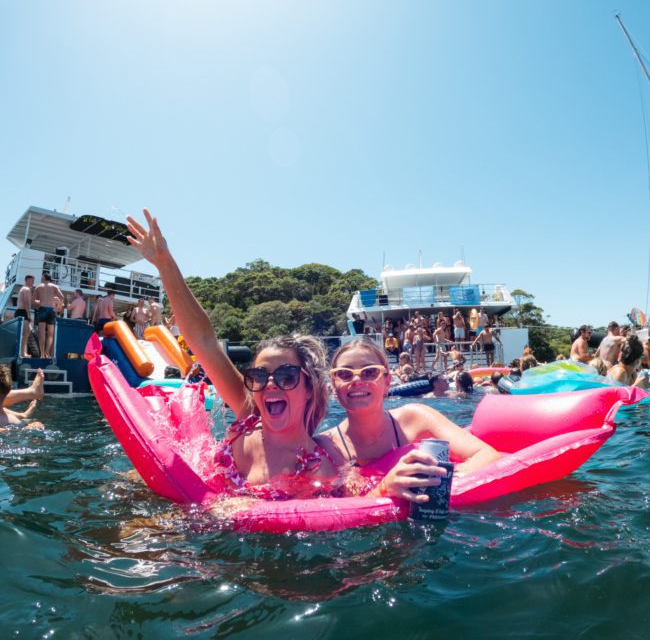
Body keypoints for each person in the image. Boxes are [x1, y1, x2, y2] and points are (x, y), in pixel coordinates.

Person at [126, 210, 338, 498]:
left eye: (287, 376)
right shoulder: (249, 413)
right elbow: (204, 342)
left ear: (310, 388)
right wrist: (165, 263)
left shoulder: (316, 469)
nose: (270, 384)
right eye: (259, 376)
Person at [316, 338, 501, 503]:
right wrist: (383, 488)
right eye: (345, 374)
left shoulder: (416, 418)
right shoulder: (326, 448)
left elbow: (487, 455)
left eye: (370, 372)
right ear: (333, 384)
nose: (357, 379)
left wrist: (433, 482)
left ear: (387, 382)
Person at [0, 366, 44, 432]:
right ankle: (32, 392)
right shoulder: (13, 420)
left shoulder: (11, 420)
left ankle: (32, 392)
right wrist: (26, 428)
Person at [33, 272, 65, 358]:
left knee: (41, 333)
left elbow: (33, 301)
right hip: (51, 310)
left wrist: (41, 301)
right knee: (50, 333)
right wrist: (58, 306)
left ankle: (42, 354)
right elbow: (62, 297)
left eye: (42, 277)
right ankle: (47, 351)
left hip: (42, 309)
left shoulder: (38, 287)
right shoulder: (55, 286)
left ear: (44, 277)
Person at [15, 274, 34, 358]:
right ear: (28, 280)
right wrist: (29, 315)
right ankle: (22, 353)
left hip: (20, 312)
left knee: (28, 330)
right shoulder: (26, 289)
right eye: (32, 280)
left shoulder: (22, 289)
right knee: (25, 332)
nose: (33, 282)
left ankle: (22, 351)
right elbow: (26, 303)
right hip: (22, 312)